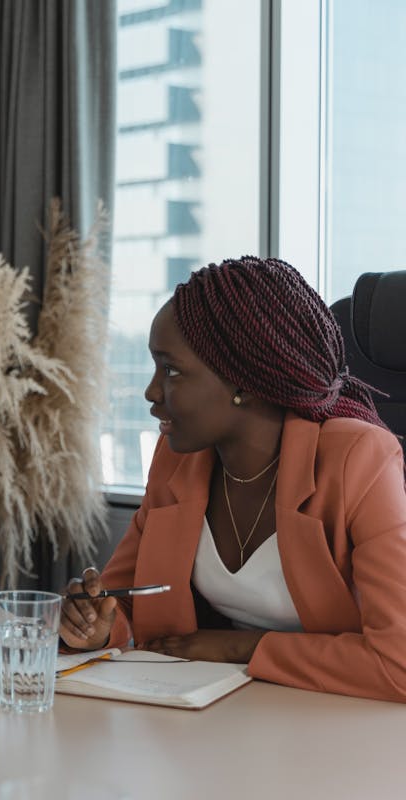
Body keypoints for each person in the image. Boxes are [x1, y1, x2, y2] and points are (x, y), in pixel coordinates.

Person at [60, 256, 406, 703]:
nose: (150, 391)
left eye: (171, 370)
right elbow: (126, 603)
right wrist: (98, 625)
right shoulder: (177, 460)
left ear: (243, 380)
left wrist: (244, 648)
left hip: (341, 724)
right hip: (214, 714)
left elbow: (398, 663)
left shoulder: (359, 458)